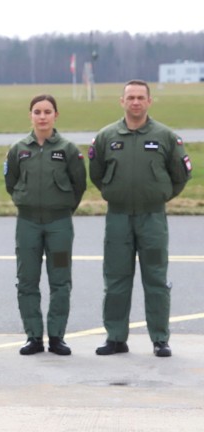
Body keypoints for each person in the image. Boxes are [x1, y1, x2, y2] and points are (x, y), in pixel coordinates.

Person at [89, 79, 192, 357]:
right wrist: (115, 192)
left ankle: (160, 338)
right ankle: (115, 338)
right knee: (116, 279)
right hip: (118, 217)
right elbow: (96, 174)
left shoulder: (166, 137)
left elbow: (181, 175)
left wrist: (160, 195)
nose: (135, 102)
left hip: (153, 218)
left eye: (140, 97)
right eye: (130, 97)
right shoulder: (106, 136)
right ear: (121, 101)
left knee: (156, 279)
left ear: (149, 101)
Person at [4, 94, 86, 356]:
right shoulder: (19, 149)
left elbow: (79, 185)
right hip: (27, 224)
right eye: (37, 111)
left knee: (60, 281)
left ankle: (57, 337)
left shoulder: (69, 150)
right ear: (31, 115)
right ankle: (34, 337)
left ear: (55, 115)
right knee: (27, 280)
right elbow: (11, 182)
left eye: (47, 112)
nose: (42, 116)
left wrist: (62, 209)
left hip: (59, 225)